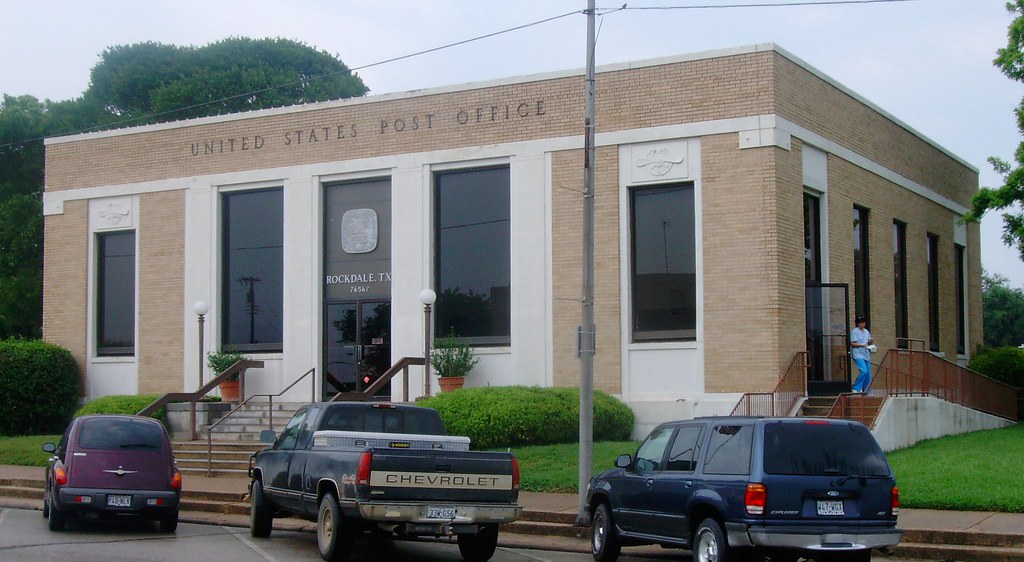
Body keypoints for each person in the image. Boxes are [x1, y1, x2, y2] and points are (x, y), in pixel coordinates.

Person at [850, 316, 873, 393]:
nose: (862, 324)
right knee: (864, 371)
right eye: (860, 323)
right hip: (858, 354)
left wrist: (871, 342)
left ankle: (866, 390)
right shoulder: (855, 331)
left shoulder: (866, 331)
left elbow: (869, 341)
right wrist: (862, 345)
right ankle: (856, 387)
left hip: (866, 354)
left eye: (863, 323)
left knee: (868, 374)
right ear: (857, 324)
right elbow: (852, 343)